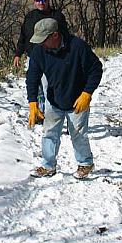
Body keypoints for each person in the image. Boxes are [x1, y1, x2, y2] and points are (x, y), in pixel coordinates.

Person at [26, 18, 103, 180]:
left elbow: (96, 69)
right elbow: (32, 76)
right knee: (49, 133)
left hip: (78, 100)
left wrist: (87, 93)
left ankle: (85, 163)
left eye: (43, 40)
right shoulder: (39, 51)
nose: (41, 44)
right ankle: (48, 166)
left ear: (55, 35)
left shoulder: (77, 47)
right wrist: (32, 102)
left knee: (78, 134)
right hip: (54, 100)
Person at [13, 0, 69, 69]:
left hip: (53, 57)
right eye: (38, 0)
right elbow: (23, 36)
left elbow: (65, 36)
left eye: (43, 0)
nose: (41, 3)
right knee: (33, 80)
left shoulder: (57, 16)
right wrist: (18, 54)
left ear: (48, 1)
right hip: (33, 58)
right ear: (34, 2)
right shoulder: (30, 17)